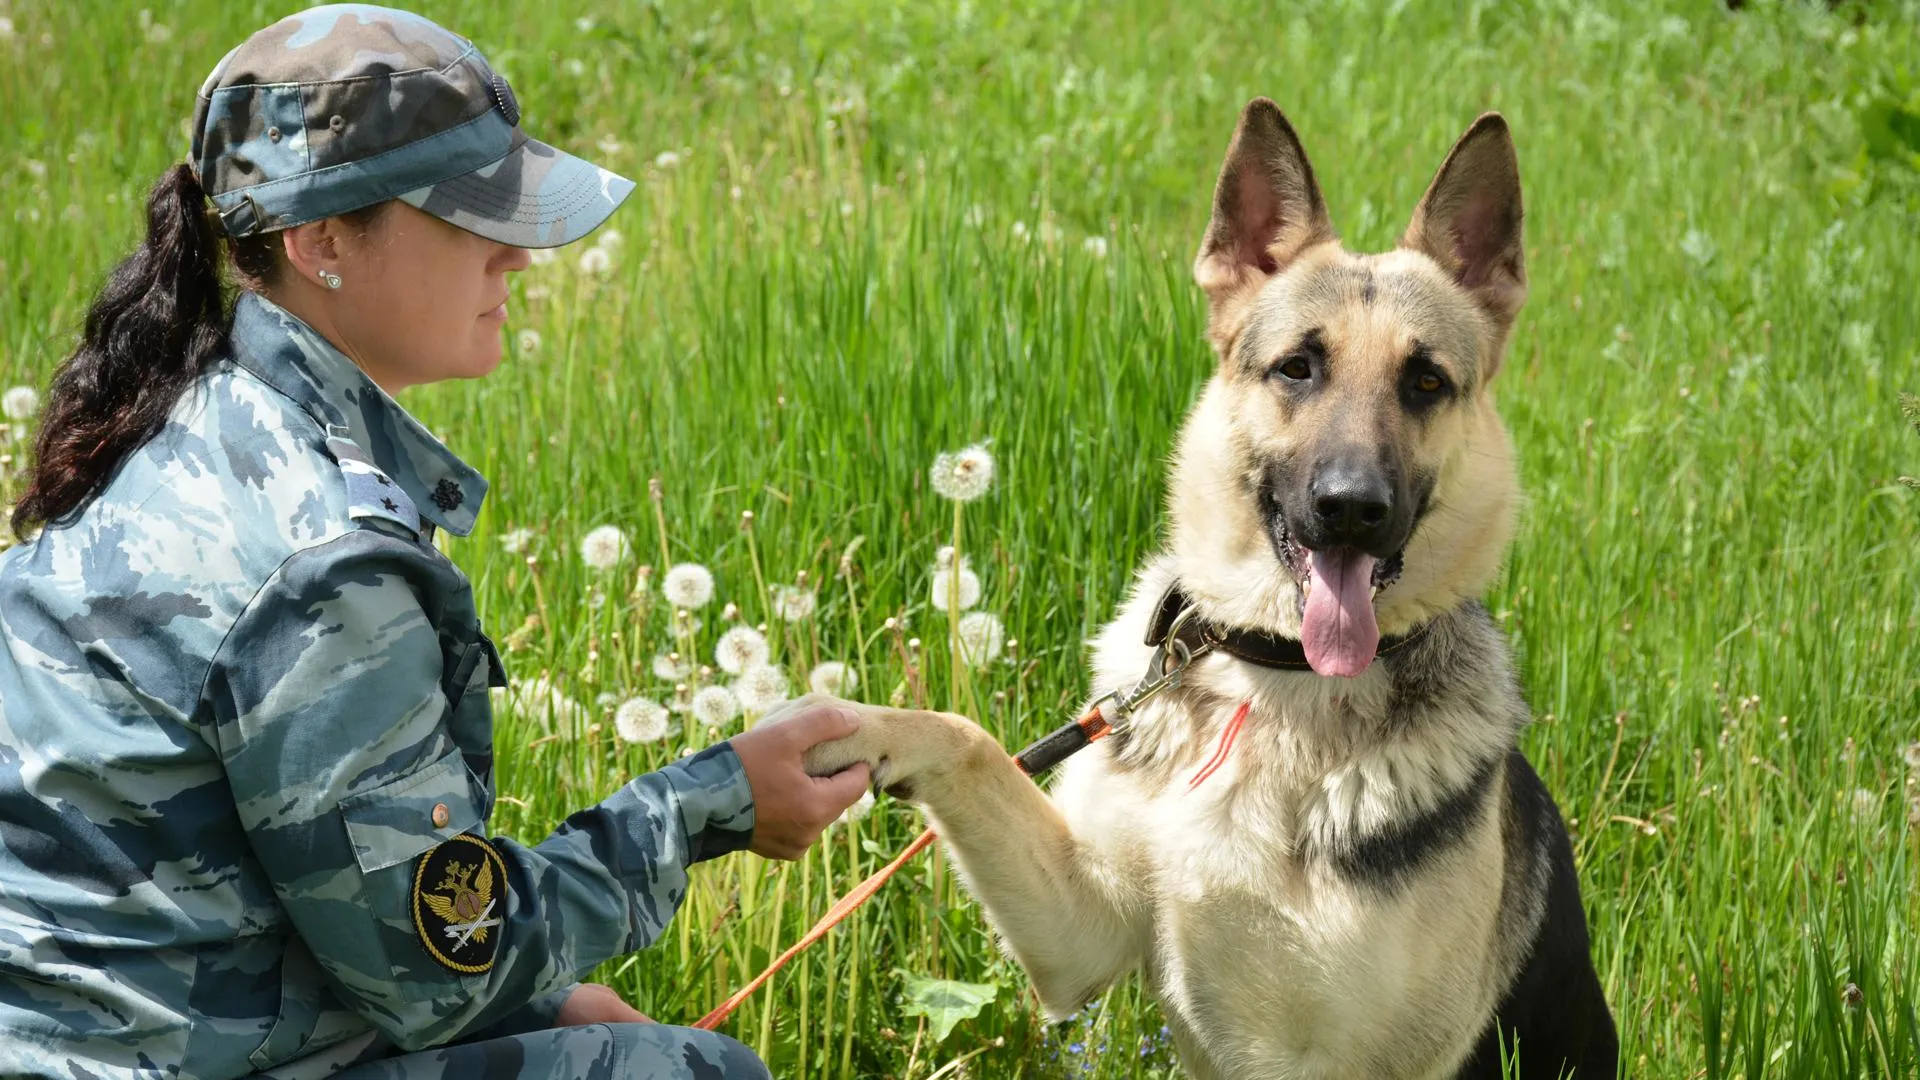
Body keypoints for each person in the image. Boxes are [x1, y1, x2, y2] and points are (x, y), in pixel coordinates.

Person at [0, 6, 872, 1078]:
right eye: (472, 218)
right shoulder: (320, 563)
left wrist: (538, 997)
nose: (517, 255)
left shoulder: (186, 421)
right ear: (321, 243)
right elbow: (440, 970)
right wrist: (712, 803)